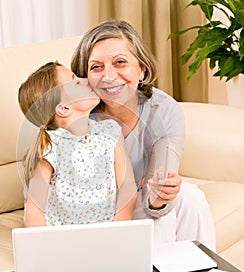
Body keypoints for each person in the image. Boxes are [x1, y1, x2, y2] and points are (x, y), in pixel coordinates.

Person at [71, 19, 216, 250]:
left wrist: (159, 197)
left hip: (140, 205)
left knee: (189, 197)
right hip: (93, 213)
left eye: (120, 62)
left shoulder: (164, 111)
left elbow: (156, 196)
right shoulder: (74, 114)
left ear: (141, 70)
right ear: (85, 78)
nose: (108, 75)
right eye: (96, 67)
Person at [18, 61, 137, 227]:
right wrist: (43, 247)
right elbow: (34, 208)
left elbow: (127, 187)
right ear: (63, 109)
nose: (85, 79)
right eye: (75, 81)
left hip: (107, 232)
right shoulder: (52, 145)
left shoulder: (110, 131)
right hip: (64, 239)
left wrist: (117, 230)